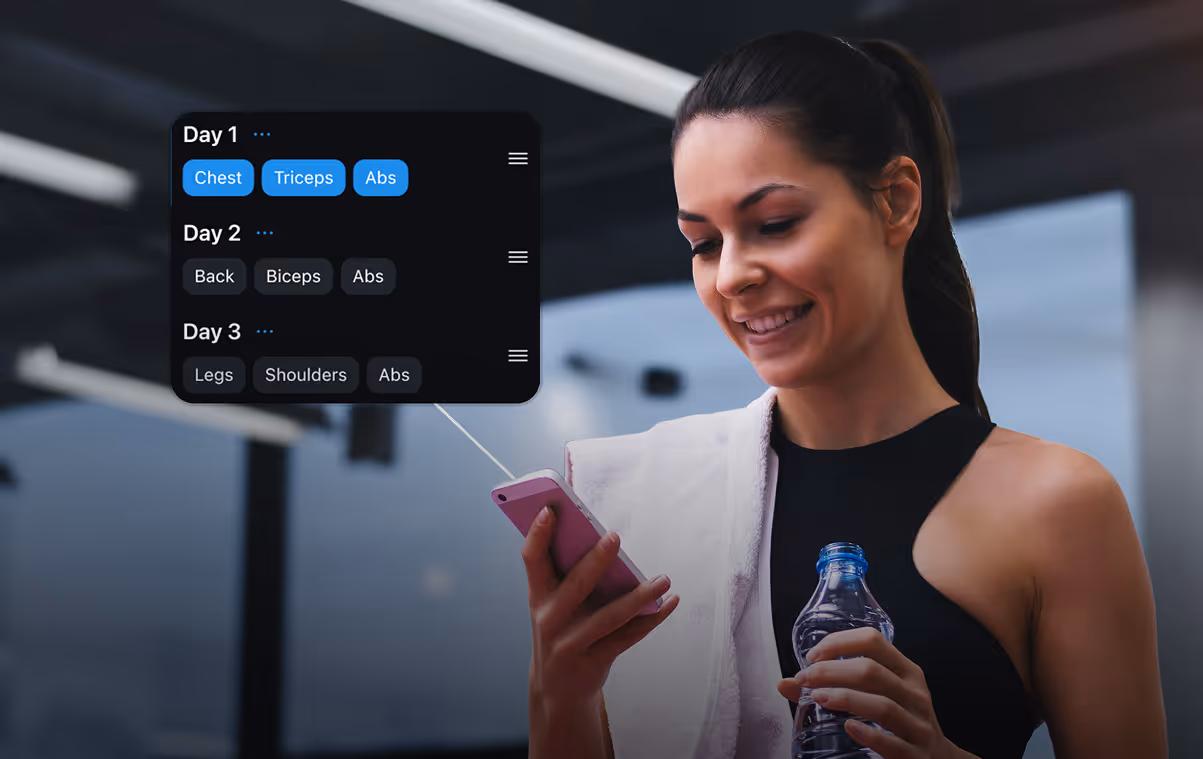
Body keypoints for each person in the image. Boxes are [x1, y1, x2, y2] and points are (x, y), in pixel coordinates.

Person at [521, 31, 1166, 759]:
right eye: (704, 243)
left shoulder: (1058, 505)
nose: (731, 276)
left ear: (896, 202)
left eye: (774, 224)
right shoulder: (644, 499)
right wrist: (563, 694)